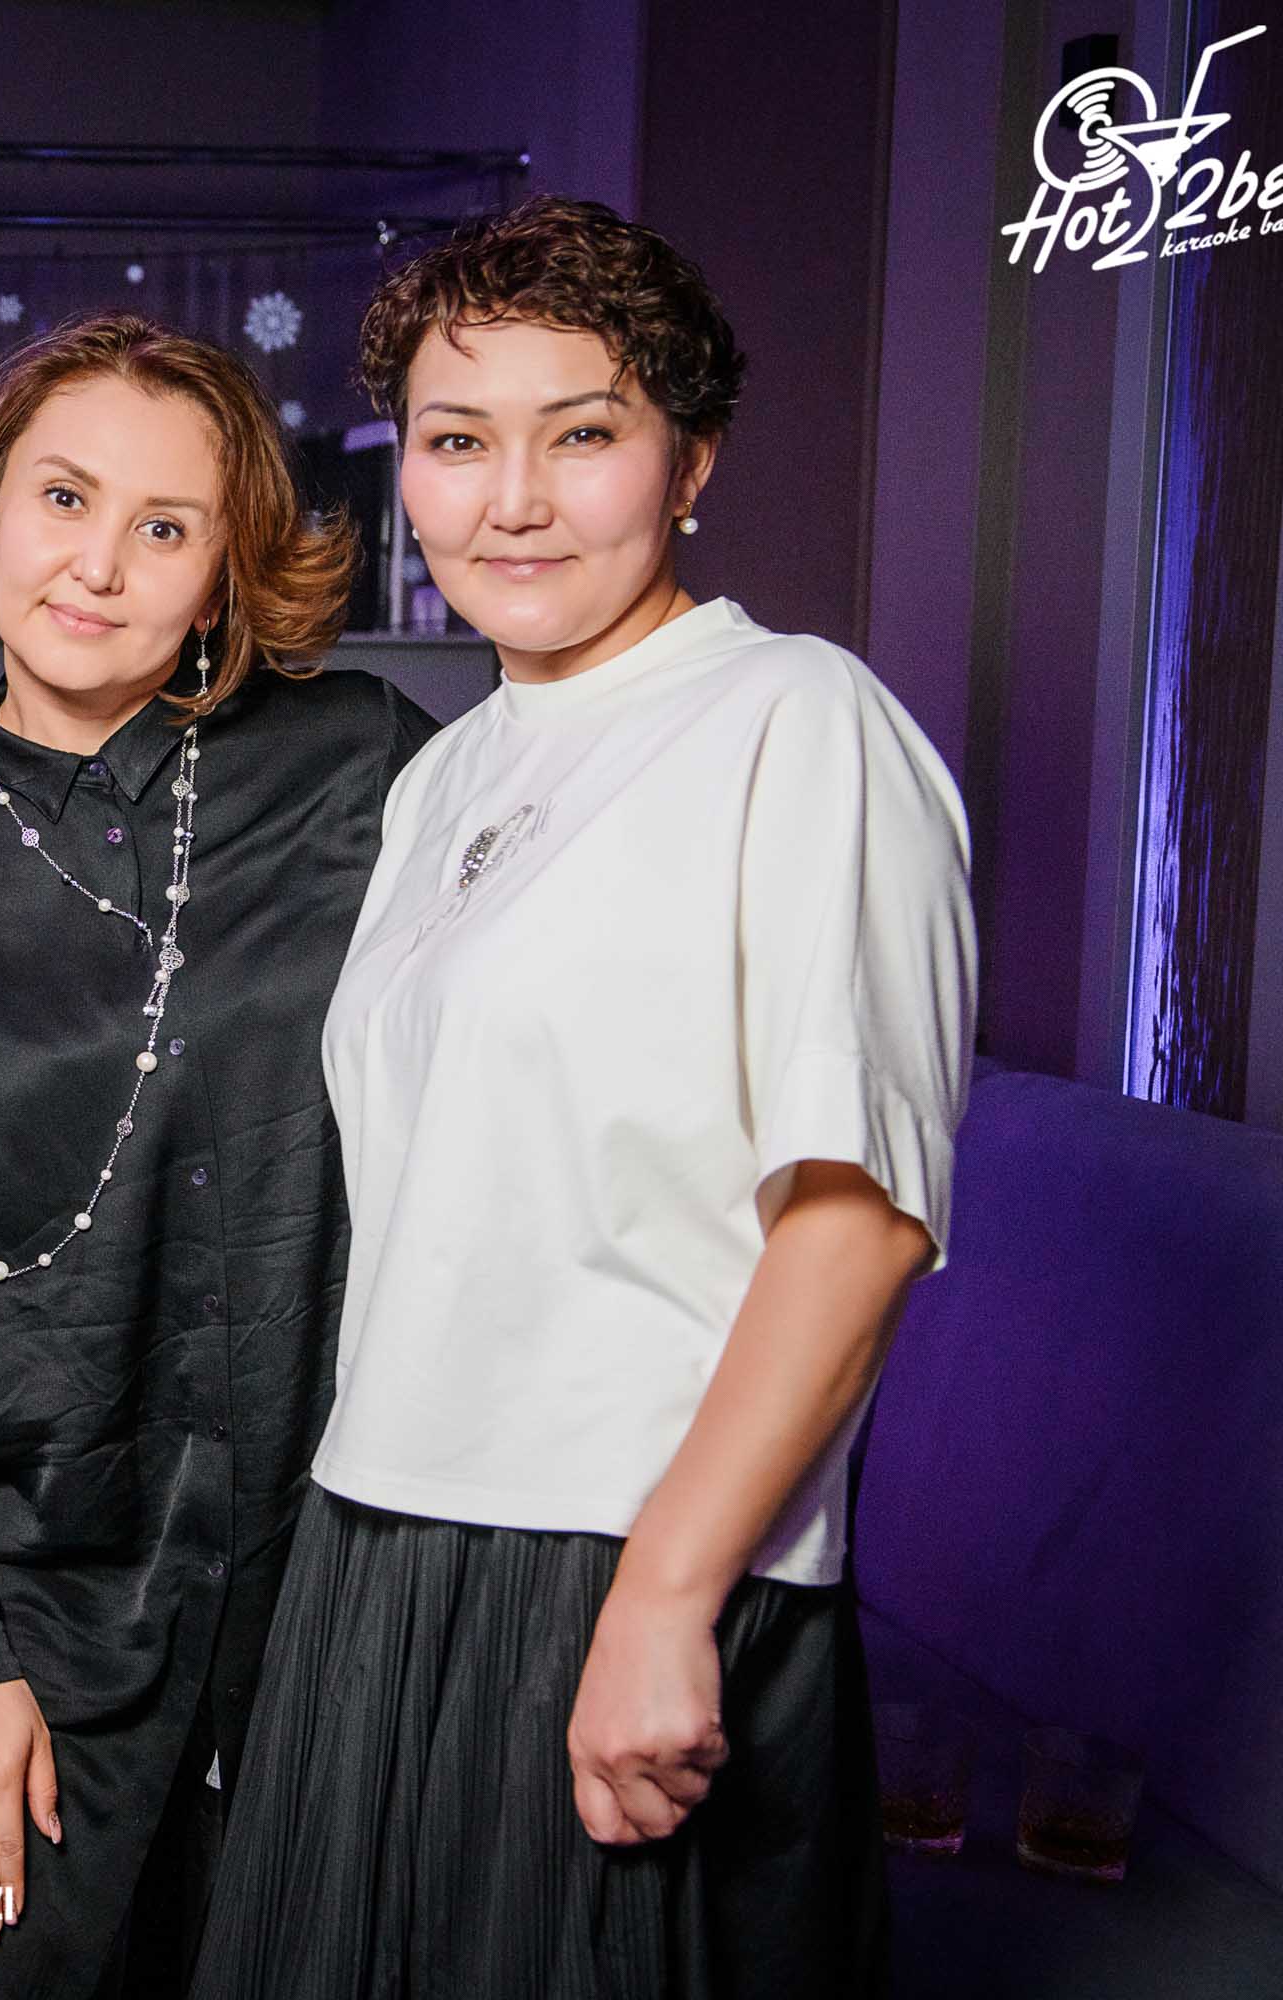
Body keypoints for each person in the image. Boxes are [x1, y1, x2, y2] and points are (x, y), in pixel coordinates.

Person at [190, 197, 974, 1999]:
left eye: (585, 434)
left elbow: (855, 1221)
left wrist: (668, 1595)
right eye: (460, 442)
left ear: (690, 462)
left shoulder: (797, 718)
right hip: (384, 1530)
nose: (515, 500)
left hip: (630, 1552)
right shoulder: (447, 772)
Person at [0, 315, 429, 1999]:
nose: (99, 564)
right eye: (63, 499)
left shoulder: (364, 767)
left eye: (165, 525)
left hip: (334, 1593)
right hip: (39, 1608)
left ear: (224, 572)